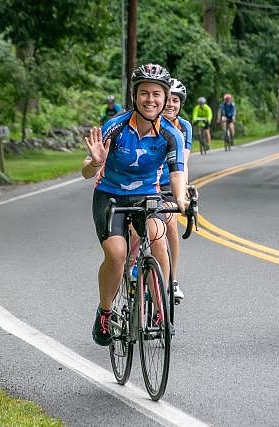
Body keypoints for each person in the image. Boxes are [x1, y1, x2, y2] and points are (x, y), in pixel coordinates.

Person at [82, 64, 188, 346]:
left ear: (165, 98)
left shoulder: (170, 134)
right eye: (144, 93)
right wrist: (94, 162)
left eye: (156, 94)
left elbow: (177, 173)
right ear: (134, 96)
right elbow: (86, 171)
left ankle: (159, 304)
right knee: (116, 255)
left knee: (158, 236)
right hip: (110, 195)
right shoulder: (115, 126)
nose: (150, 100)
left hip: (146, 194)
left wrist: (180, 199)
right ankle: (105, 312)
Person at [160, 78, 193, 302]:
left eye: (176, 100)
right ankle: (132, 264)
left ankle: (172, 279)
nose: (171, 104)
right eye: (168, 100)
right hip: (144, 182)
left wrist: (183, 192)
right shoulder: (149, 122)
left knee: (171, 222)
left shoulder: (184, 128)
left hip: (169, 182)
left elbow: (183, 163)